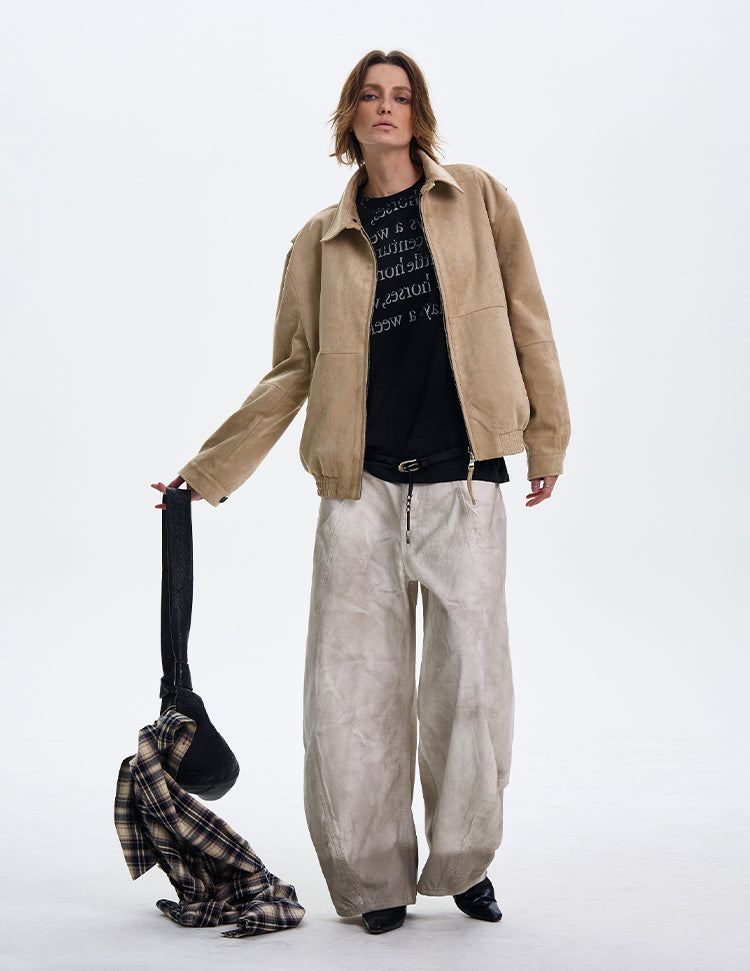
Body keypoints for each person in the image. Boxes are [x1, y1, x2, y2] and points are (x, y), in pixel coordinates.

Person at [153, 49, 570, 935]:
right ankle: (375, 880)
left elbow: (528, 316)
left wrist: (546, 436)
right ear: (350, 116)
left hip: (464, 482)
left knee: (473, 692)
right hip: (359, 491)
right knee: (350, 701)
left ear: (419, 115)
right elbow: (292, 370)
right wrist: (208, 469)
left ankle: (464, 864)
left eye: (402, 96)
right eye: (372, 96)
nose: (387, 108)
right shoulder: (317, 241)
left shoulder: (478, 198)